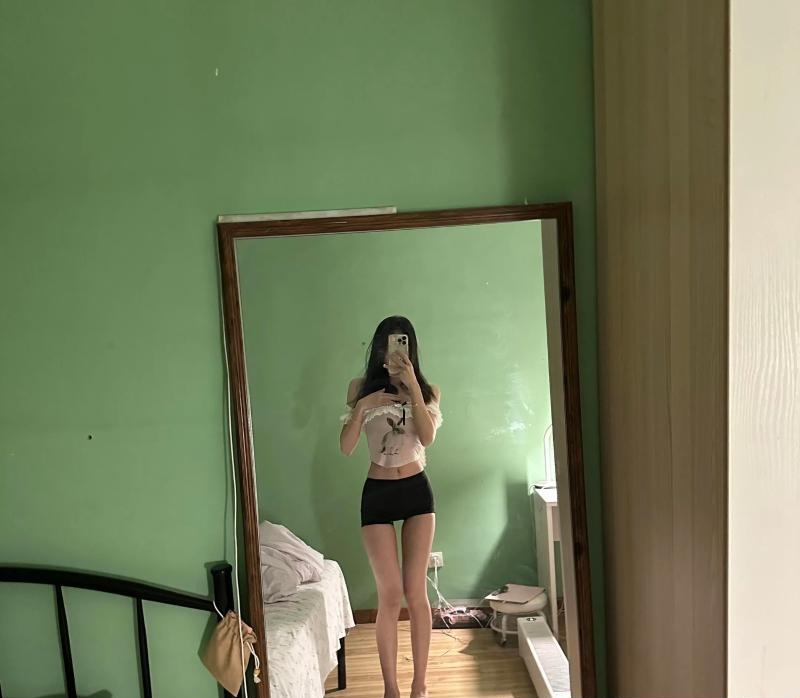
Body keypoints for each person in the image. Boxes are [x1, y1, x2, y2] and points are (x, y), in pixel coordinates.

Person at [340, 316, 442, 698]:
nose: (394, 350)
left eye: (401, 342)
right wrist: (364, 405)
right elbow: (346, 447)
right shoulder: (358, 388)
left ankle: (419, 686)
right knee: (389, 594)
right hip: (377, 493)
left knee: (415, 592)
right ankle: (390, 689)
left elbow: (427, 439)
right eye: (387, 342)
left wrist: (412, 386)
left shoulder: (427, 389)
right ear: (378, 347)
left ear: (411, 348)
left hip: (416, 490)